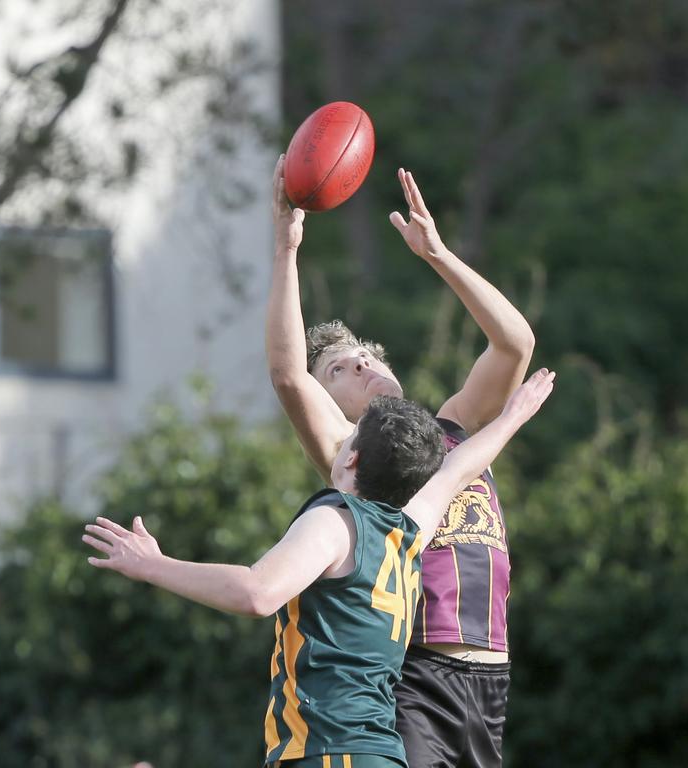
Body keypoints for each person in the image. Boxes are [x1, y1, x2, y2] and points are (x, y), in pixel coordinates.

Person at [83, 372, 555, 768]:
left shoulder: (336, 520)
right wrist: (513, 416)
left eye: (348, 435)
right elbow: (456, 470)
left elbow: (256, 593)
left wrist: (155, 565)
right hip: (374, 753)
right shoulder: (410, 528)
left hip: (333, 749)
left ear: (351, 458)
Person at [268, 155, 537, 767]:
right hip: (415, 673)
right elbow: (287, 376)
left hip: (490, 677)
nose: (358, 364)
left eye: (364, 355)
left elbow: (515, 342)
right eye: (337, 370)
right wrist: (287, 251)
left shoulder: (456, 426)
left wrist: (438, 255)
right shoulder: (353, 454)